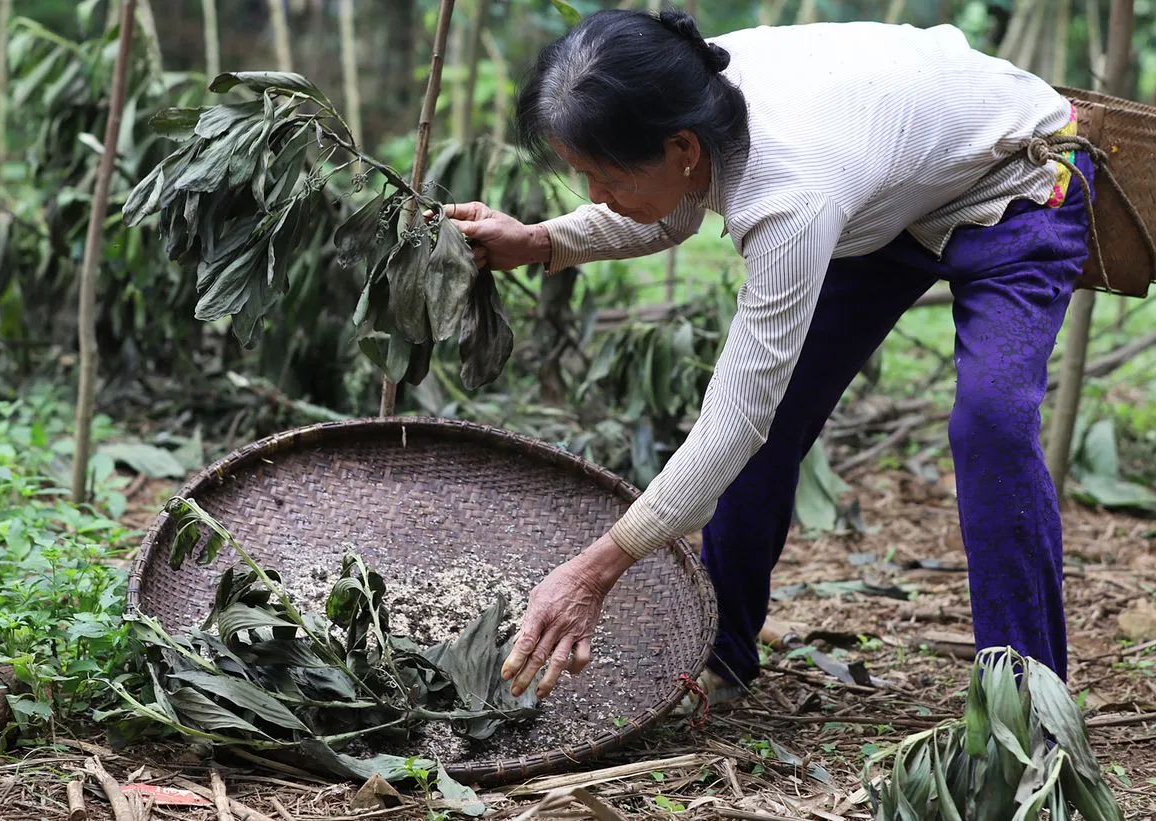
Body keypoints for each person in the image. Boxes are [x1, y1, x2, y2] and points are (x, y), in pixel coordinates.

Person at [443, 8, 1096, 703]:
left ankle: (1027, 699)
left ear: (684, 147)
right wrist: (541, 239)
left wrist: (595, 569)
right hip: (885, 196)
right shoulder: (681, 85)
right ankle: (720, 654)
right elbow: (669, 203)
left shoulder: (791, 194)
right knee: (776, 416)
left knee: (991, 421)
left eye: (607, 180)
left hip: (1013, 178)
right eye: (585, 178)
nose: (598, 199)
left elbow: (732, 422)